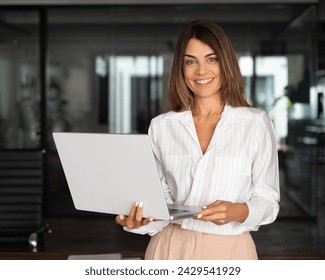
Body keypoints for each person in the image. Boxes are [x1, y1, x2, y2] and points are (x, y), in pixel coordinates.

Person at [115, 19, 280, 260]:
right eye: (191, 62)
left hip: (231, 250)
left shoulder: (255, 123)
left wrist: (240, 211)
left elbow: (268, 201)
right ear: (181, 69)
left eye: (211, 59)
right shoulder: (162, 126)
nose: (201, 71)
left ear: (226, 64)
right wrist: (138, 221)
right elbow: (160, 205)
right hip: (169, 249)